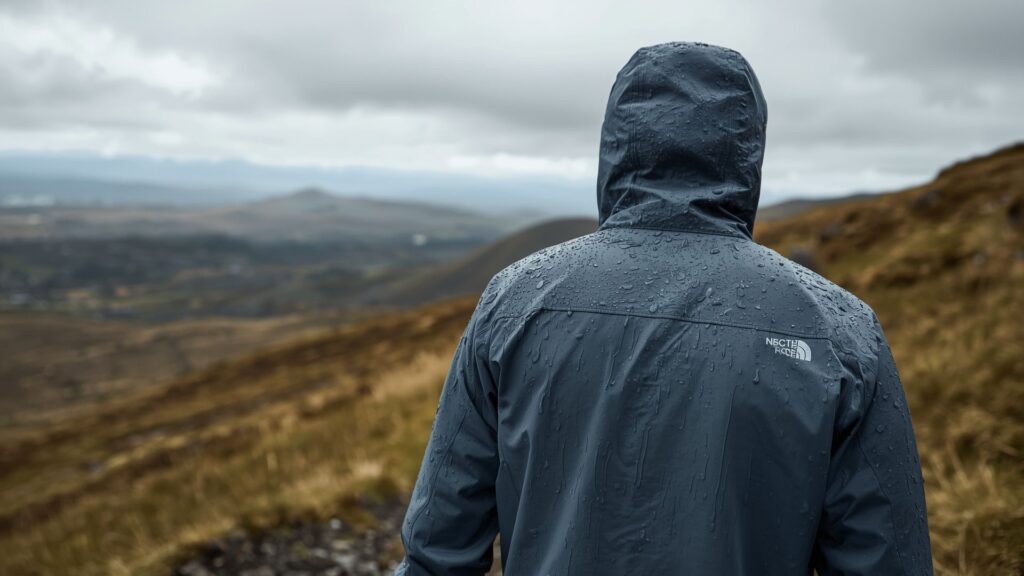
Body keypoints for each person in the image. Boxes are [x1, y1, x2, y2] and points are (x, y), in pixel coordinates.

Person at [395, 42, 933, 575]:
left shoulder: (513, 301)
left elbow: (437, 551)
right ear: (747, 150)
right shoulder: (839, 329)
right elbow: (885, 560)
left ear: (615, 146)